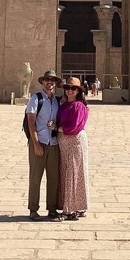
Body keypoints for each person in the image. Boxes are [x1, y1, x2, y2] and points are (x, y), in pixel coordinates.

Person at [25, 70, 62, 221]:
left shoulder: (57, 101)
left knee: (53, 178)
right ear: (42, 82)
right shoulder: (36, 98)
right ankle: (33, 209)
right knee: (35, 178)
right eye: (47, 80)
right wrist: (36, 144)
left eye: (52, 80)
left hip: (53, 144)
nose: (50, 82)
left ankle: (52, 210)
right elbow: (31, 122)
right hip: (39, 143)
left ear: (55, 83)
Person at [57, 76, 90, 220]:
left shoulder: (79, 106)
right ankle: (75, 206)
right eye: (67, 88)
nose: (70, 91)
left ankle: (70, 209)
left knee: (73, 173)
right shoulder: (63, 105)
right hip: (64, 144)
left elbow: (75, 127)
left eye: (73, 88)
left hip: (74, 142)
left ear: (78, 91)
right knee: (66, 173)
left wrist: (58, 129)